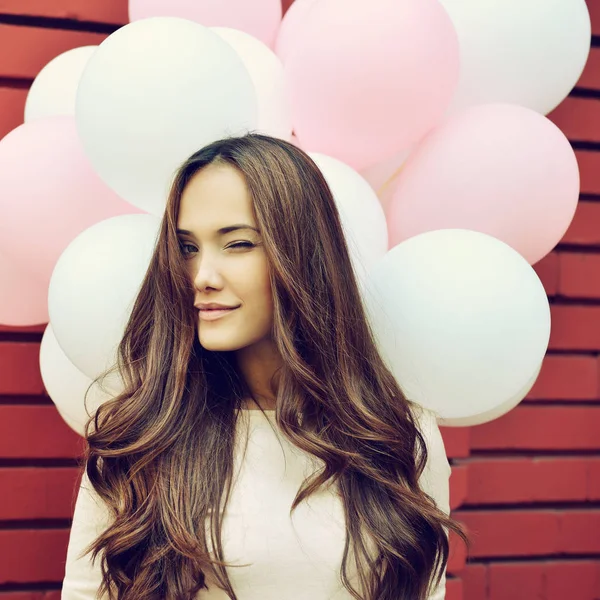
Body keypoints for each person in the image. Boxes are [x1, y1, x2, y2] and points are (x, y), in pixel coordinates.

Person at [61, 133, 467, 600]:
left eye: (236, 244)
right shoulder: (141, 435)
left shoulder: (395, 434)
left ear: (301, 253)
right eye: (188, 248)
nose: (202, 277)